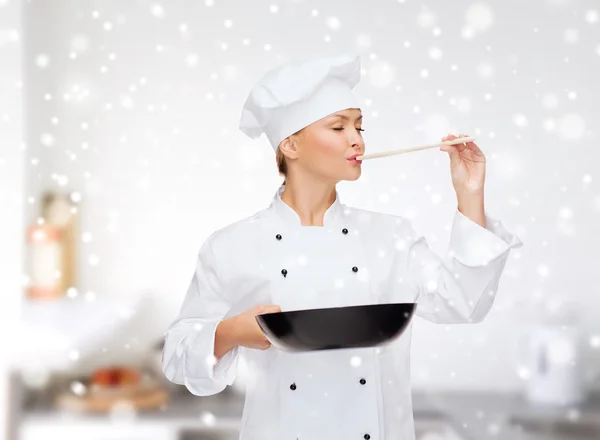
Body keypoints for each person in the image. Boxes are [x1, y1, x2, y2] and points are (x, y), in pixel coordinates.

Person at [162, 53, 523, 440]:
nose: (358, 140)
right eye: (338, 127)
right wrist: (229, 332)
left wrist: (470, 195)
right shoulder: (232, 246)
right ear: (291, 146)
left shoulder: (391, 236)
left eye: (360, 126)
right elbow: (178, 358)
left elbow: (464, 303)